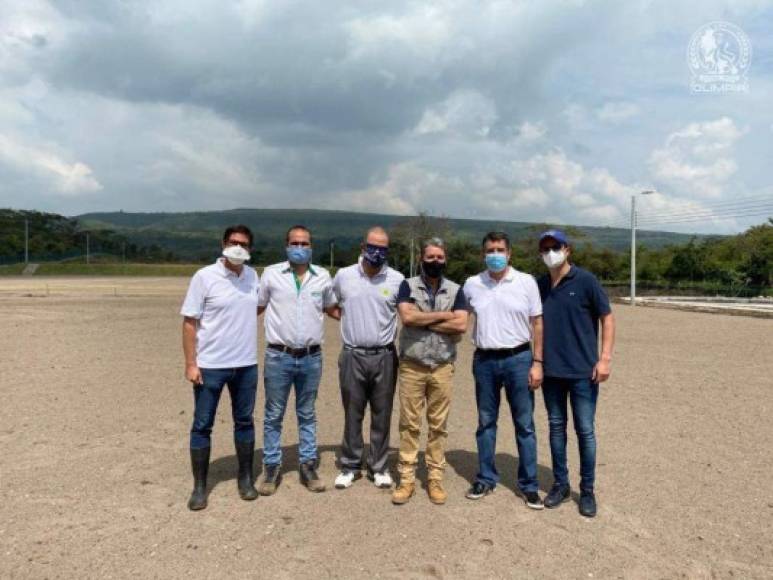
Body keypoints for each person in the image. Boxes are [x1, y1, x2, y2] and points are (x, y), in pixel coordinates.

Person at [462, 231, 545, 509]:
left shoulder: (526, 282)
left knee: (525, 424)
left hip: (519, 358)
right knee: (486, 423)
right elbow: (459, 319)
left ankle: (529, 485)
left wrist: (537, 363)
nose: (494, 255)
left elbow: (537, 324)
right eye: (489, 250)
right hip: (484, 360)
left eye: (499, 250)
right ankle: (485, 477)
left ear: (510, 253)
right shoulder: (473, 284)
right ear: (482, 254)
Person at [536, 229, 615, 518]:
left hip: (583, 372)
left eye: (554, 247)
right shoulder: (539, 285)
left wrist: (604, 358)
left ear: (567, 249)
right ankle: (560, 484)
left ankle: (588, 490)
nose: (549, 253)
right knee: (556, 428)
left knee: (585, 431)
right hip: (552, 372)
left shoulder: (586, 281)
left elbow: (607, 318)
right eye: (544, 249)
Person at [180, 225, 260, 511]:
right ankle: (200, 487)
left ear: (250, 248)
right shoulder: (204, 277)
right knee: (202, 425)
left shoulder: (252, 276)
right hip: (211, 366)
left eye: (244, 244)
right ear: (223, 244)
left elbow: (255, 308)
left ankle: (246, 479)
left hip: (246, 364)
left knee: (245, 421)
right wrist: (191, 363)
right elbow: (190, 322)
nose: (238, 248)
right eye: (233, 242)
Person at [256, 225, 338, 495]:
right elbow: (256, 307)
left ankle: (307, 464)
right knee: (273, 414)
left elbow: (331, 308)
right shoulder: (270, 274)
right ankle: (271, 466)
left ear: (312, 247)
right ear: (286, 245)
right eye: (295, 243)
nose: (300, 248)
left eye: (305, 243)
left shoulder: (323, 277)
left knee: (307, 413)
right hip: (279, 355)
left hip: (311, 357)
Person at [391, 238, 468, 505]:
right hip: (412, 366)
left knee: (438, 426)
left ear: (445, 259)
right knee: (409, 425)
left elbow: (461, 326)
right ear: (422, 258)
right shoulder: (407, 285)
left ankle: (435, 479)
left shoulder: (456, 289)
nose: (435, 261)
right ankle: (407, 479)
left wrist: (426, 320)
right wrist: (445, 316)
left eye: (439, 257)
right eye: (430, 256)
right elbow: (408, 318)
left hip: (442, 367)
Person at [330, 227, 404, 490]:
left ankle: (379, 466)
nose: (377, 252)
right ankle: (350, 464)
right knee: (353, 411)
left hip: (384, 354)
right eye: (372, 246)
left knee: (382, 413)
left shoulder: (396, 279)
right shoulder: (344, 275)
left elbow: (405, 312)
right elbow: (331, 302)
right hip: (352, 354)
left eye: (383, 248)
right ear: (362, 246)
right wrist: (349, 320)